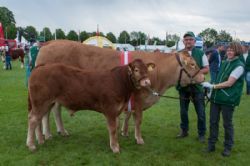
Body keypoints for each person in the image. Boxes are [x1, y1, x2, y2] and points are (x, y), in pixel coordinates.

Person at [202, 42, 244, 157]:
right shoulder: (225, 63)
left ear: (237, 52)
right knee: (213, 122)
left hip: (228, 100)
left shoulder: (239, 65)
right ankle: (211, 145)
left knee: (227, 124)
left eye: (232, 50)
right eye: (228, 50)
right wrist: (210, 87)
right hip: (216, 98)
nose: (229, 52)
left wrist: (213, 86)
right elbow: (219, 79)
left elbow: (230, 83)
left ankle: (228, 147)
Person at [176, 31, 209, 143]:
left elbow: (206, 69)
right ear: (183, 41)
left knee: (200, 112)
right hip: (183, 88)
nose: (188, 41)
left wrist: (194, 74)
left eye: (190, 39)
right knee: (183, 112)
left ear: (194, 41)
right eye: (186, 39)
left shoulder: (200, 53)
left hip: (197, 87)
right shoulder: (179, 53)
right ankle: (184, 131)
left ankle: (201, 134)